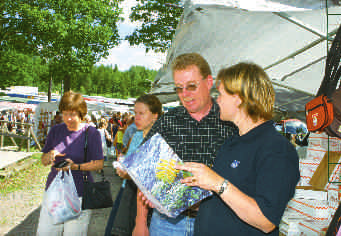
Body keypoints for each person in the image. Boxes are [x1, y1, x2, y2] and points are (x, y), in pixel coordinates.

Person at [176, 62, 300, 235]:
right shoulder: (231, 143)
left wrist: (217, 182)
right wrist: (175, 199)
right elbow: (222, 203)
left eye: (220, 94)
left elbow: (267, 220)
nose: (216, 99)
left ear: (239, 97)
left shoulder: (277, 148)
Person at [134, 53, 237, 236]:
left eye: (191, 86)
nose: (185, 95)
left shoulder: (230, 121)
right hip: (167, 224)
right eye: (179, 89)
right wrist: (140, 222)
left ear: (208, 82)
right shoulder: (168, 121)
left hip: (216, 223)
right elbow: (145, 172)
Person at [37, 91, 104, 235]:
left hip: (80, 194)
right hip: (54, 193)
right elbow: (43, 161)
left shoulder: (91, 133)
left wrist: (75, 166)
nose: (68, 118)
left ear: (81, 114)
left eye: (72, 114)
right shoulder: (56, 130)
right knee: (45, 232)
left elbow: (99, 164)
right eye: (65, 113)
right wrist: (49, 156)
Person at [105, 94, 163, 236]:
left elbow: (156, 175)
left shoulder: (160, 139)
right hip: (127, 190)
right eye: (135, 113)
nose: (136, 117)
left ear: (155, 115)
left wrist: (129, 174)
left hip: (145, 199)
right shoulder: (137, 135)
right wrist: (123, 160)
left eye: (141, 113)